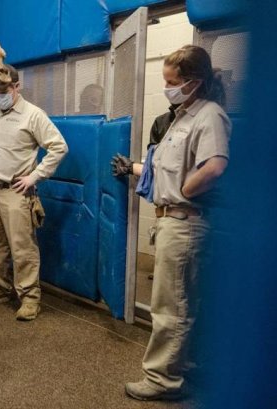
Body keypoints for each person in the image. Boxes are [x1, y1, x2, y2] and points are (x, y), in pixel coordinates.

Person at [111, 45, 231, 401]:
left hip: (184, 223)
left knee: (170, 307)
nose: (167, 88)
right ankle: (184, 364)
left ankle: (163, 380)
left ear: (193, 82)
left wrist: (184, 188)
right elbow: (163, 167)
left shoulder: (209, 115)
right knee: (181, 303)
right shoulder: (182, 116)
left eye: (171, 81)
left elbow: (215, 165)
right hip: (170, 222)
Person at [0, 64, 68, 321]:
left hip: (16, 192)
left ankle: (29, 298)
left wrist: (35, 176)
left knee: (22, 247)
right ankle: (0, 288)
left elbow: (59, 147)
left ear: (16, 86)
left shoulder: (33, 115)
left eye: (3, 89)